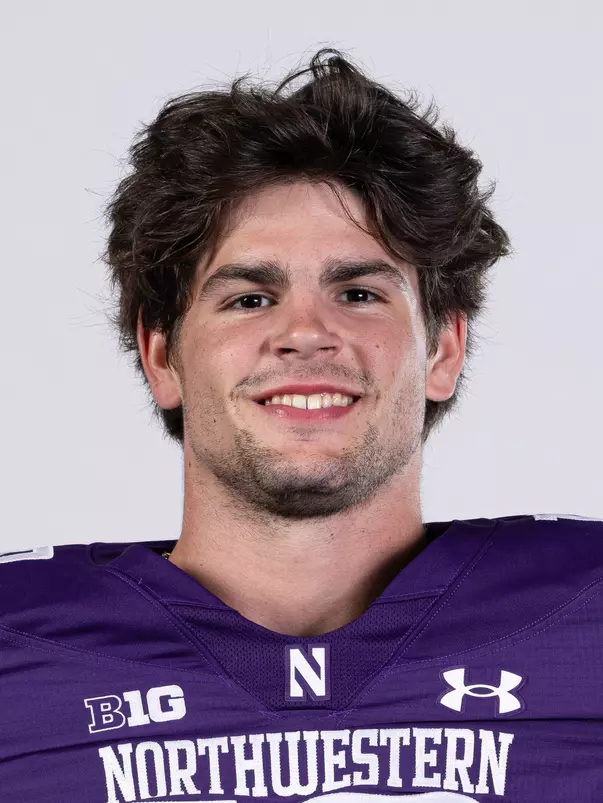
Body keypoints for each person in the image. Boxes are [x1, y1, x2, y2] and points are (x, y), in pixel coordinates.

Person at [0, 48, 601, 803]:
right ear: (163, 357)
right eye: (249, 298)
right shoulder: (19, 648)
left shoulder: (585, 618)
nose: (305, 333)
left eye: (357, 293)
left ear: (444, 348)